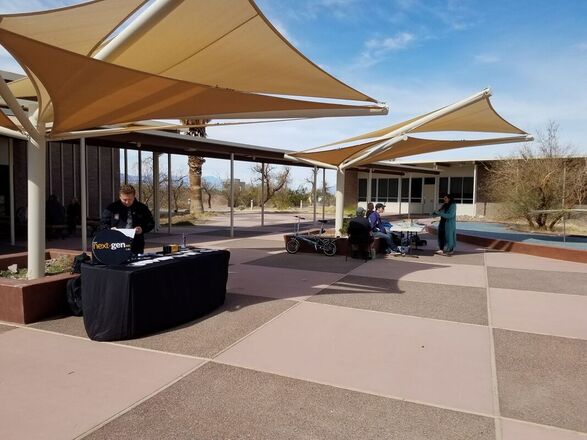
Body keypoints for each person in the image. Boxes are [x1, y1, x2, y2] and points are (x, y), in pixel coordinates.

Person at [100, 184, 155, 254]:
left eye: (130, 199)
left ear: (134, 196)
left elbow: (150, 223)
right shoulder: (112, 208)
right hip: (115, 244)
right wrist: (110, 230)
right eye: (124, 199)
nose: (127, 202)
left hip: (136, 244)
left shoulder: (142, 208)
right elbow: (103, 224)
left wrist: (142, 229)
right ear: (120, 197)